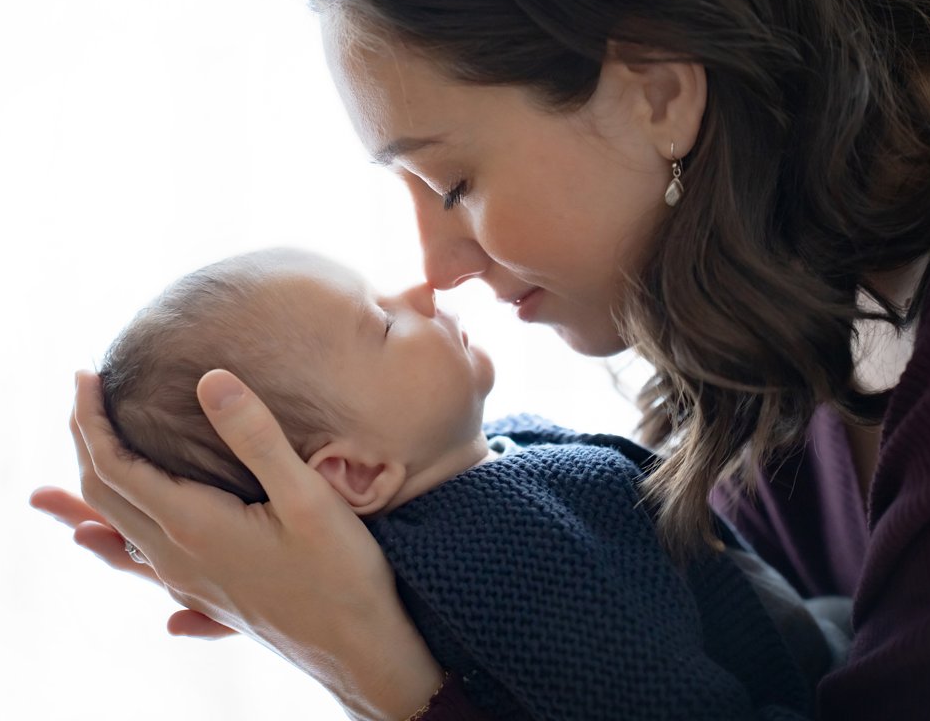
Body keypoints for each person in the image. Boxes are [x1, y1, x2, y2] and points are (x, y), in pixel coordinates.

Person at [30, 0, 930, 719]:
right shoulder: (789, 297)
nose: (436, 267)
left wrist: (379, 666)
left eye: (450, 181)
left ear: (660, 93)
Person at [97, 246, 844, 719]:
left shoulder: (476, 486)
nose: (420, 291)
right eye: (383, 324)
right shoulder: (511, 558)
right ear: (354, 472)